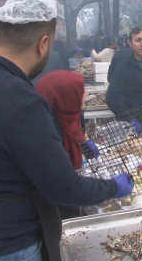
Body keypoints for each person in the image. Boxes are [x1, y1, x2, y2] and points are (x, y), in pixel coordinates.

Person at [0, 0, 134, 261]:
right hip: (7, 246)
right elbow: (63, 188)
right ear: (43, 44)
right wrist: (113, 188)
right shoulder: (21, 100)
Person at [36, 71, 100, 219]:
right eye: (81, 90)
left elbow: (79, 135)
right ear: (66, 95)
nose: (86, 94)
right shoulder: (46, 128)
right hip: (55, 204)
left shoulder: (72, 114)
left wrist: (85, 144)